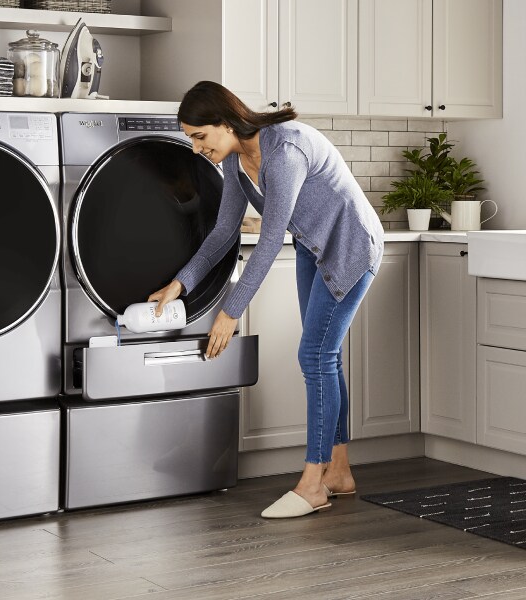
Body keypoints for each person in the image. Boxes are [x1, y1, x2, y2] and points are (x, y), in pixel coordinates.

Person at [148, 81, 384, 519]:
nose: (197, 148)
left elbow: (272, 238)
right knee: (324, 359)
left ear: (225, 123)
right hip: (315, 247)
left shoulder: (286, 151)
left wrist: (230, 313)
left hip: (351, 247)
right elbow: (224, 233)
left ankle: (313, 483)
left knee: (315, 355)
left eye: (200, 136)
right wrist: (180, 283)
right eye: (190, 139)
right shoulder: (238, 162)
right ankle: (340, 473)